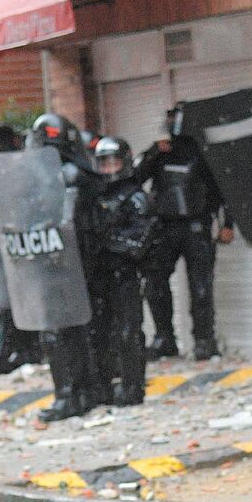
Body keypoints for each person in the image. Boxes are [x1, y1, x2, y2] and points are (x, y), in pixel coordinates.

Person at [135, 107, 234, 361]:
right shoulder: (159, 153)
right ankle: (165, 338)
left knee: (200, 287)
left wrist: (227, 224)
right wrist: (156, 152)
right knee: (155, 284)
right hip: (165, 226)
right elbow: (135, 178)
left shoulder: (204, 152)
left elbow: (225, 189)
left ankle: (204, 339)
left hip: (196, 226)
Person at [30, 114, 101, 422]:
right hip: (73, 262)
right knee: (77, 330)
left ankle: (69, 395)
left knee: (58, 332)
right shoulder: (75, 171)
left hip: (64, 262)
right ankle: (82, 392)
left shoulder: (66, 175)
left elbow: (65, 220)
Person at [90, 137, 157, 406]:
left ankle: (132, 387)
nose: (109, 169)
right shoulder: (95, 196)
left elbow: (139, 242)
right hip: (99, 274)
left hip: (125, 275)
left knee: (128, 331)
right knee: (100, 331)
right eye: (104, 163)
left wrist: (106, 242)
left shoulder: (136, 197)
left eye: (114, 162)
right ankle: (104, 386)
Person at [0, 125, 42, 375]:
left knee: (23, 299)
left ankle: (24, 350)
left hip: (23, 247)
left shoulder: (25, 173)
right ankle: (0, 349)